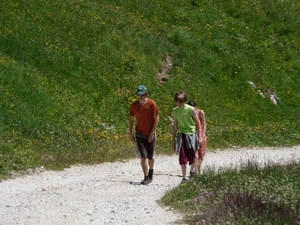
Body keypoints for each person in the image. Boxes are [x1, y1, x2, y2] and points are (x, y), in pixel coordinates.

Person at [129, 85, 159, 185]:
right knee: (143, 156)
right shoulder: (134, 106)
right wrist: (130, 133)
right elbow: (132, 119)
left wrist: (152, 133)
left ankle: (151, 172)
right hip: (140, 134)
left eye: (142, 94)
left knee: (150, 157)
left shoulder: (152, 104)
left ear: (146, 94)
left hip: (150, 133)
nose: (141, 96)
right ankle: (146, 177)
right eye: (139, 94)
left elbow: (156, 118)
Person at [172, 91, 202, 181]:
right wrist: (173, 139)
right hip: (181, 134)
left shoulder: (190, 109)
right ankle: (184, 177)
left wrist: (200, 136)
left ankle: (192, 170)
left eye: (180, 102)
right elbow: (175, 125)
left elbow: (197, 122)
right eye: (177, 101)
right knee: (182, 156)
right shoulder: (175, 111)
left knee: (192, 154)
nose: (178, 103)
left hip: (191, 134)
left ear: (184, 101)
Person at [188, 100, 207, 175]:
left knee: (201, 153)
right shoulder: (188, 114)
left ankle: (199, 166)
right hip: (192, 134)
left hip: (201, 134)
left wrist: (202, 134)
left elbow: (204, 124)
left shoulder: (200, 112)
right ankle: (195, 170)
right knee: (194, 153)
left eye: (194, 108)